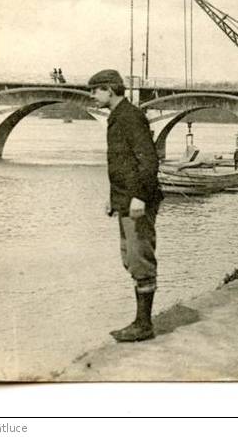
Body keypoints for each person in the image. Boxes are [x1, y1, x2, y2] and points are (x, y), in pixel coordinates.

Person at [89, 69, 163, 342]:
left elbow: (148, 161)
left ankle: (144, 326)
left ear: (110, 89)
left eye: (95, 90)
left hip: (137, 201)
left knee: (140, 259)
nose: (92, 95)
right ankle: (140, 321)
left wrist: (140, 197)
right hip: (125, 199)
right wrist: (114, 198)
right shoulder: (117, 117)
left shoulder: (130, 117)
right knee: (130, 258)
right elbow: (122, 165)